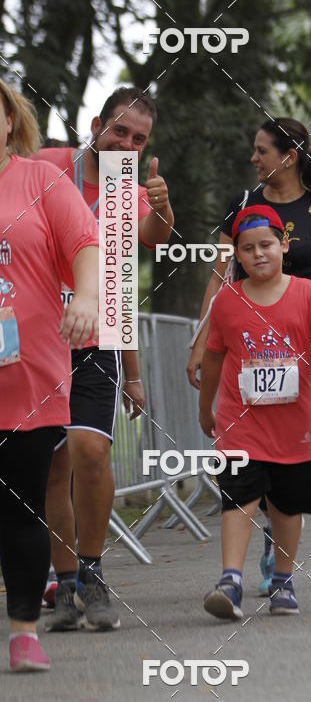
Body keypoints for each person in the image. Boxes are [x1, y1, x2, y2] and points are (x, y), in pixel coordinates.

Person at [188, 117, 311, 593]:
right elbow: (219, 275)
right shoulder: (242, 205)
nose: (254, 158)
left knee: (287, 465)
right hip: (244, 354)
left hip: (302, 356)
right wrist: (199, 340)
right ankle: (241, 564)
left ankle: (279, 540)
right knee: (249, 459)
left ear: (288, 156)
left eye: (262, 151)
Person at [34, 86, 174, 631]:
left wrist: (162, 206)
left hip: (97, 341)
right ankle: (63, 584)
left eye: (139, 139)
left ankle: (92, 574)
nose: (127, 144)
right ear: (96, 124)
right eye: (119, 131)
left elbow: (154, 240)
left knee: (90, 452)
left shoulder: (127, 189)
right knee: (52, 467)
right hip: (38, 340)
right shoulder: (47, 166)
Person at [199, 205, 311, 619]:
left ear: (284, 245)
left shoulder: (306, 292)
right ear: (238, 256)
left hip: (294, 425)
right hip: (239, 422)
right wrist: (204, 408)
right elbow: (213, 358)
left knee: (286, 507)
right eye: (247, 249)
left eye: (266, 244)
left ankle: (283, 579)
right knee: (239, 497)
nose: (258, 254)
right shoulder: (227, 300)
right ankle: (230, 582)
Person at [0, 79, 99, 670]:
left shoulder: (40, 180)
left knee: (21, 504)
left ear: (10, 121)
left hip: (26, 376)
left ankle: (24, 632)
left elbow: (86, 242)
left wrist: (85, 297)